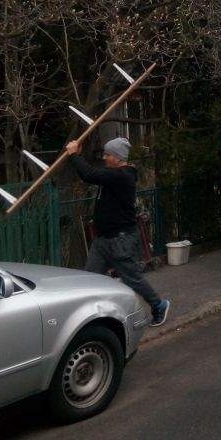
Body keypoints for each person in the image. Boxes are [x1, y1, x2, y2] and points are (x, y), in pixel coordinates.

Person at [66, 137, 170, 327]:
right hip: (103, 239)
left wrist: (74, 155)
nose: (104, 157)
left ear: (118, 158)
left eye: (108, 154)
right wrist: (78, 156)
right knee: (89, 278)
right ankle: (90, 319)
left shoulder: (123, 175)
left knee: (133, 279)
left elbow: (89, 175)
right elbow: (94, 174)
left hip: (120, 239)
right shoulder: (113, 174)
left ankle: (159, 305)